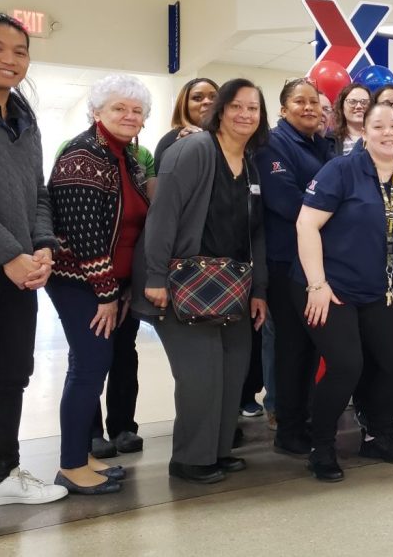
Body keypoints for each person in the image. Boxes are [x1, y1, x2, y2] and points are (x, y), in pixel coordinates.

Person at [133, 78, 269, 484]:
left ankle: (218, 450)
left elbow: (256, 230)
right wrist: (156, 276)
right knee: (200, 376)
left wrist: (259, 289)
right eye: (237, 106)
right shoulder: (192, 150)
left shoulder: (251, 162)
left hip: (233, 287)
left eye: (254, 108)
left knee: (232, 371)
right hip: (183, 283)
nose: (245, 114)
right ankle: (190, 459)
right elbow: (164, 215)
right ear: (221, 110)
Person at [295, 103, 393, 482]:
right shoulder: (342, 170)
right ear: (364, 133)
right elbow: (307, 224)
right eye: (378, 126)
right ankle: (321, 447)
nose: (388, 132)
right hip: (329, 287)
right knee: (346, 364)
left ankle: (377, 434)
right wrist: (317, 285)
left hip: (377, 291)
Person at [0, 11, 68, 513]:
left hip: (21, 269)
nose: (10, 59)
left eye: (20, 51)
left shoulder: (24, 119)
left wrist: (43, 244)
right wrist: (10, 255)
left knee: (12, 373)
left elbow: (38, 192)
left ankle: (0, 475)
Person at [46, 74, 154, 495]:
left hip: (110, 283)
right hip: (80, 282)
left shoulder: (125, 156)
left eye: (137, 110)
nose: (129, 116)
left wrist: (123, 287)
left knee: (90, 366)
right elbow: (84, 233)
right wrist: (108, 294)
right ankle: (71, 465)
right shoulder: (83, 155)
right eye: (118, 108)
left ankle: (80, 456)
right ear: (97, 112)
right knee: (90, 366)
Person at [253, 78, 334, 457]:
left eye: (314, 103)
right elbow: (287, 202)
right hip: (287, 263)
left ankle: (302, 419)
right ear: (283, 109)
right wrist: (336, 211)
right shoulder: (273, 144)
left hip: (316, 262)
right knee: (292, 349)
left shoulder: (322, 145)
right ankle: (288, 428)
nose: (309, 108)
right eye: (299, 102)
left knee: (310, 348)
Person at [152, 77, 219, 184]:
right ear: (184, 106)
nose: (208, 102)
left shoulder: (224, 138)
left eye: (214, 97)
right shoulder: (172, 140)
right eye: (197, 98)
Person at [332, 83, 371, 155]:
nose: (359, 106)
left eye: (364, 102)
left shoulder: (380, 137)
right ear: (341, 107)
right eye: (352, 102)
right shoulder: (330, 141)